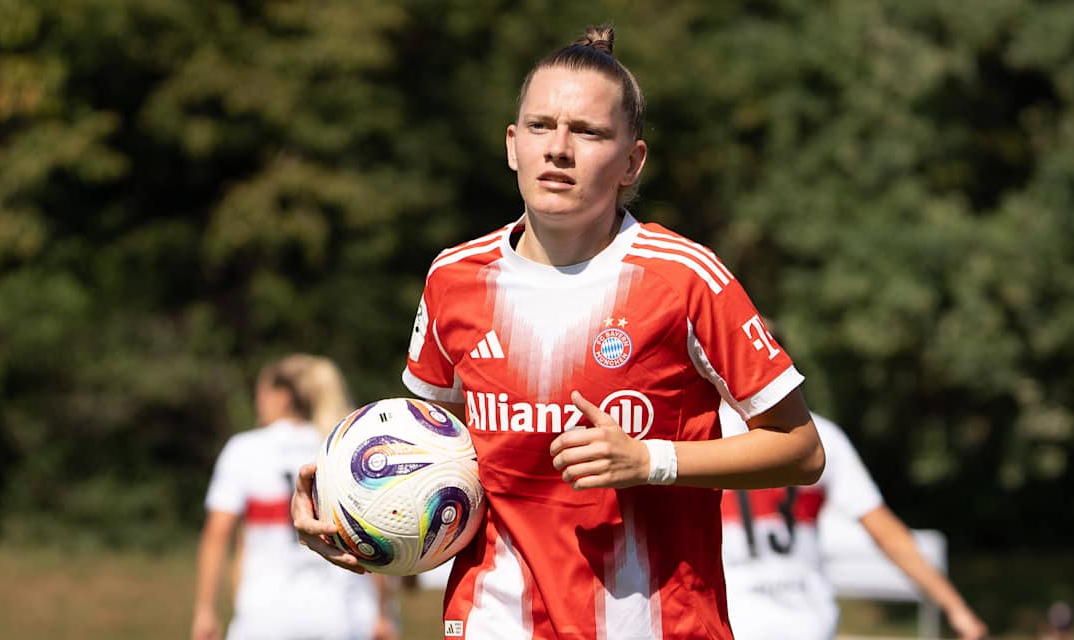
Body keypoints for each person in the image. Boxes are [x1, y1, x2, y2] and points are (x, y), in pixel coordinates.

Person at [291, 24, 825, 640]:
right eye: (541, 127)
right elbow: (431, 453)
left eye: (589, 132)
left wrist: (648, 460)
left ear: (632, 161)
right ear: (513, 145)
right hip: (493, 619)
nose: (559, 149)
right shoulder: (453, 278)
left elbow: (801, 449)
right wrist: (350, 513)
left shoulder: (684, 278)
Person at [718, 407, 988, 640]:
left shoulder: (705, 434)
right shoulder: (821, 435)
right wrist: (958, 610)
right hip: (808, 620)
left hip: (734, 620)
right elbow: (888, 535)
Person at [192, 354, 398, 640]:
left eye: (261, 392)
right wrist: (382, 613)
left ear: (283, 395)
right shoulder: (340, 449)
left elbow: (217, 535)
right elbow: (370, 534)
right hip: (340, 613)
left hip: (263, 616)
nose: (257, 401)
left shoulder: (244, 449)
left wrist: (205, 611)